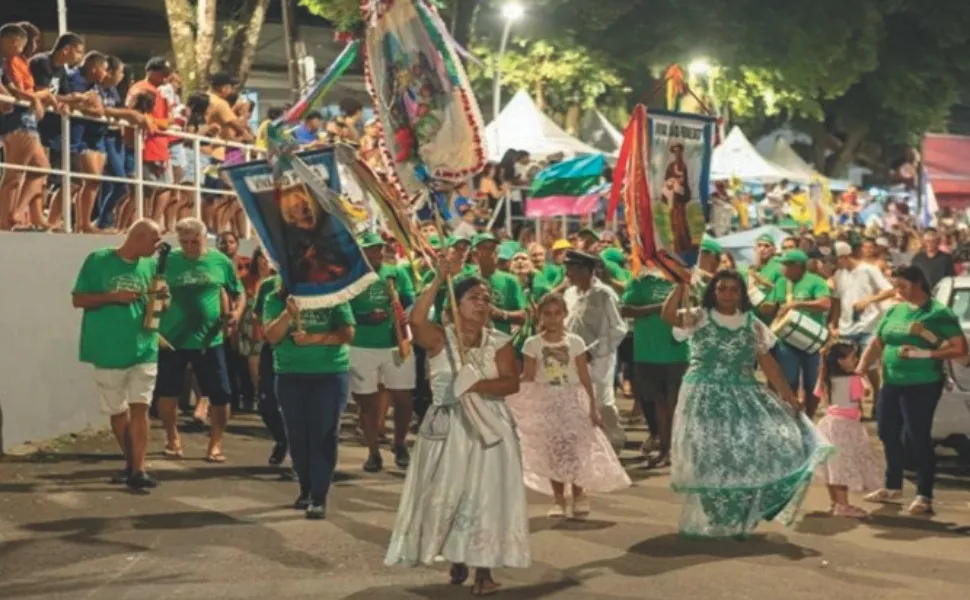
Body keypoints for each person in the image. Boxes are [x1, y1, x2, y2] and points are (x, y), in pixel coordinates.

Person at [385, 265, 530, 596]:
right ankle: (455, 552)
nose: (482, 303)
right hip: (448, 427)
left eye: (486, 298)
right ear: (455, 304)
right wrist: (438, 278)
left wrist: (477, 384)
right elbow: (415, 322)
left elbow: (511, 383)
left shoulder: (500, 341)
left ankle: (483, 570)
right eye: (473, 298)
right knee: (449, 494)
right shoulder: (441, 338)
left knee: (486, 496)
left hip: (490, 429)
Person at [663, 270, 832, 539]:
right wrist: (679, 285)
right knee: (707, 454)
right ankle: (715, 515)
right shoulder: (699, 316)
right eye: (722, 289)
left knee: (743, 451)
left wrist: (789, 397)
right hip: (701, 395)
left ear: (742, 293)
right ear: (713, 292)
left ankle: (738, 514)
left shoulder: (752, 324)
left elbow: (769, 366)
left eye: (734, 289)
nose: (728, 294)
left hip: (742, 394)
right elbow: (668, 315)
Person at [856, 265, 967, 516]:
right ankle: (892, 485)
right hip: (892, 381)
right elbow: (878, 340)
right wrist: (863, 366)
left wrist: (925, 353)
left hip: (923, 383)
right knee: (886, 431)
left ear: (918, 283)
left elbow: (960, 350)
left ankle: (924, 494)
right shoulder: (895, 310)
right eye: (896, 286)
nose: (898, 291)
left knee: (917, 436)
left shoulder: (938, 313)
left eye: (903, 286)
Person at [509, 293, 631, 518]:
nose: (553, 319)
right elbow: (528, 374)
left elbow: (584, 377)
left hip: (572, 398)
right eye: (547, 314)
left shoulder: (575, 342)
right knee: (554, 449)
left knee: (575, 448)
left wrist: (593, 406)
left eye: (557, 314)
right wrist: (507, 386)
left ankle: (579, 494)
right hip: (547, 400)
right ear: (540, 316)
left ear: (565, 315)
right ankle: (558, 499)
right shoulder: (532, 343)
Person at [71, 219, 165, 490]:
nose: (158, 246)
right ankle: (131, 463)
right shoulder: (98, 260)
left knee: (141, 406)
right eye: (154, 240)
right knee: (118, 411)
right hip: (108, 349)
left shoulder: (151, 265)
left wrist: (162, 298)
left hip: (144, 346)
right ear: (138, 236)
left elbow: (156, 304)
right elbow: (78, 299)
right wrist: (114, 296)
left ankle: (138, 469)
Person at [263, 276, 356, 518]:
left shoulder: (334, 295)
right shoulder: (273, 297)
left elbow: (348, 333)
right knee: (298, 436)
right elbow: (272, 336)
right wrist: (287, 313)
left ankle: (318, 496)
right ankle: (305, 487)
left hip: (330, 374)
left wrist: (315, 339)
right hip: (290, 374)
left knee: (324, 434)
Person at [153, 218, 245, 462]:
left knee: (221, 394)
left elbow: (238, 292)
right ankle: (172, 438)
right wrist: (154, 328)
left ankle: (215, 443)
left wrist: (235, 313)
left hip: (210, 340)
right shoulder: (166, 260)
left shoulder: (220, 261)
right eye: (184, 242)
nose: (190, 246)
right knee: (167, 392)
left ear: (206, 238)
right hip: (172, 339)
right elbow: (153, 293)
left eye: (195, 241)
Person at [351, 231, 417, 473]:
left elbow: (410, 299)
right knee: (367, 402)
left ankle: (399, 443)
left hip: (395, 343)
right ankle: (373, 452)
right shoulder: (351, 276)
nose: (376, 253)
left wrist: (405, 313)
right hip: (361, 345)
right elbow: (343, 307)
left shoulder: (396, 272)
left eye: (378, 248)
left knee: (404, 399)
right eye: (370, 249)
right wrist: (364, 317)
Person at [562, 250, 628, 450]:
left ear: (587, 271)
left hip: (600, 358)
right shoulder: (569, 294)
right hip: (572, 356)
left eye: (572, 269)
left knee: (603, 401)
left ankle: (613, 440)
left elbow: (618, 329)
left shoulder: (604, 294)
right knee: (576, 400)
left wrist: (594, 351)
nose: (568, 274)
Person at [622, 265, 687, 467]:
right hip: (647, 352)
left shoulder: (682, 279)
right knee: (660, 404)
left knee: (675, 404)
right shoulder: (640, 282)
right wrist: (658, 308)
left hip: (677, 351)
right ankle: (665, 449)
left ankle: (676, 452)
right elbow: (626, 309)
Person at [813, 341, 883, 518]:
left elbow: (818, 393)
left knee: (832, 466)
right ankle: (843, 504)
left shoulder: (826, 379)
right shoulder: (852, 380)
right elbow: (864, 393)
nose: (856, 360)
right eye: (853, 357)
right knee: (842, 466)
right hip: (846, 426)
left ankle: (835, 502)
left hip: (828, 424)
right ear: (841, 361)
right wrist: (862, 376)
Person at [765, 249, 832, 417]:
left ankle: (809, 417)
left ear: (798, 266)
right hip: (787, 342)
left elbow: (825, 304)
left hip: (811, 342)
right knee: (789, 381)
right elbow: (771, 306)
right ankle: (793, 415)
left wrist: (797, 304)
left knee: (812, 384)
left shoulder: (815, 281)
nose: (783, 268)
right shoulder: (781, 282)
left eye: (786, 265)